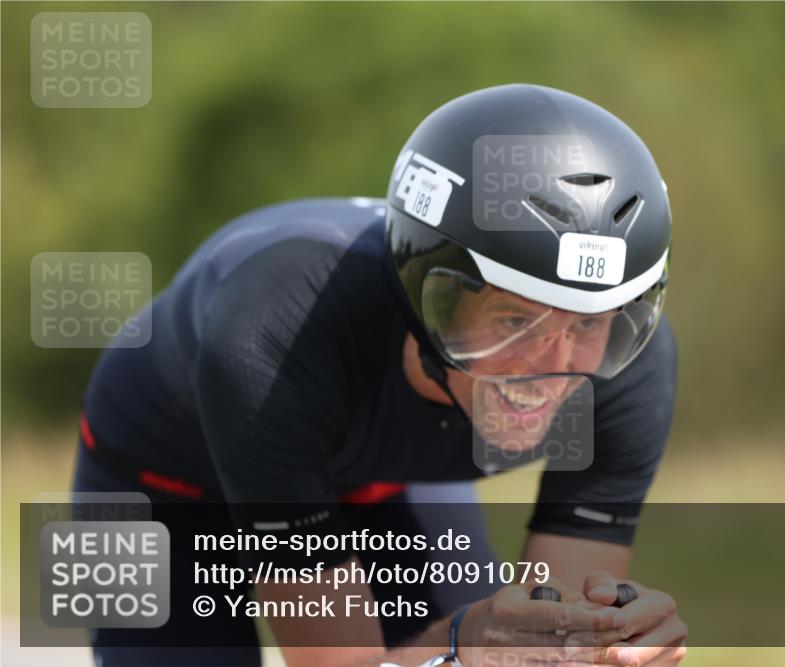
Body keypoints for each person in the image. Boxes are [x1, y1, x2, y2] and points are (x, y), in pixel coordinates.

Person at [73, 83, 685, 667]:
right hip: (163, 482)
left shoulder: (629, 369)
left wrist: (607, 644)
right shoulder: (277, 335)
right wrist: (459, 642)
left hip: (377, 477)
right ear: (428, 298)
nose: (552, 367)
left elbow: (555, 637)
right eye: (513, 318)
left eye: (587, 325)